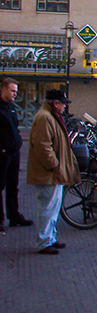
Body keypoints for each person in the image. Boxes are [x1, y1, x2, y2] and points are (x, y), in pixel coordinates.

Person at [26, 89, 80, 254]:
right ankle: (44, 241)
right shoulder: (45, 118)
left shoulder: (49, 116)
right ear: (55, 103)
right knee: (47, 207)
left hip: (51, 172)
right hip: (48, 173)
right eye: (63, 103)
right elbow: (43, 145)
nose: (65, 107)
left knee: (52, 206)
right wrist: (54, 166)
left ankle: (50, 238)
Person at [0, 78, 32, 233]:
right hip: (3, 153)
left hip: (14, 150)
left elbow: (15, 126)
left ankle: (14, 215)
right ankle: (0, 219)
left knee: (13, 185)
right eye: (12, 91)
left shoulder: (11, 107)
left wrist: (18, 142)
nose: (15, 94)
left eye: (16, 91)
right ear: (3, 89)